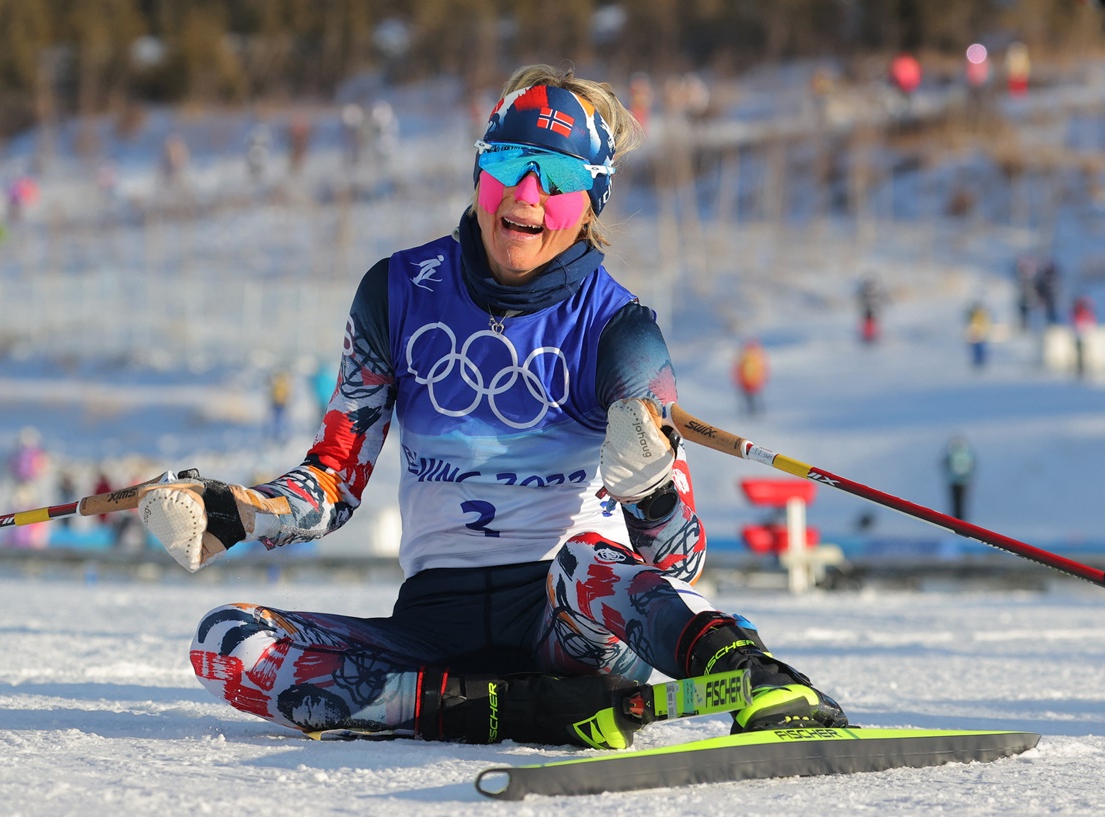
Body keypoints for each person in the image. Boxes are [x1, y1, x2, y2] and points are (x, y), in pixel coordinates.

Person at [136, 64, 847, 751]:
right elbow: (332, 482)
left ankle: (757, 677)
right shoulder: (397, 291)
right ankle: (497, 708)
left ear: (592, 199)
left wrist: (651, 488)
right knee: (226, 642)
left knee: (585, 560)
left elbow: (677, 561)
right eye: (509, 162)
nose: (527, 193)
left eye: (560, 176)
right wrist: (234, 511)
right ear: (481, 171)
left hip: (568, 622)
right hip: (435, 630)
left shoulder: (620, 330)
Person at [942, 436, 976, 521]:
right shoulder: (967, 454)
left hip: (954, 481)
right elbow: (971, 466)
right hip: (963, 481)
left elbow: (945, 465)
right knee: (962, 502)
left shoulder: (952, 454)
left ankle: (957, 520)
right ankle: (961, 521)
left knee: (956, 502)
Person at [732, 338, 768, 416]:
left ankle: (756, 412)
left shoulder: (748, 359)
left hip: (751, 382)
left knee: (753, 398)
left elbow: (761, 370)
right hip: (751, 382)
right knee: (752, 398)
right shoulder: (755, 358)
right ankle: (754, 413)